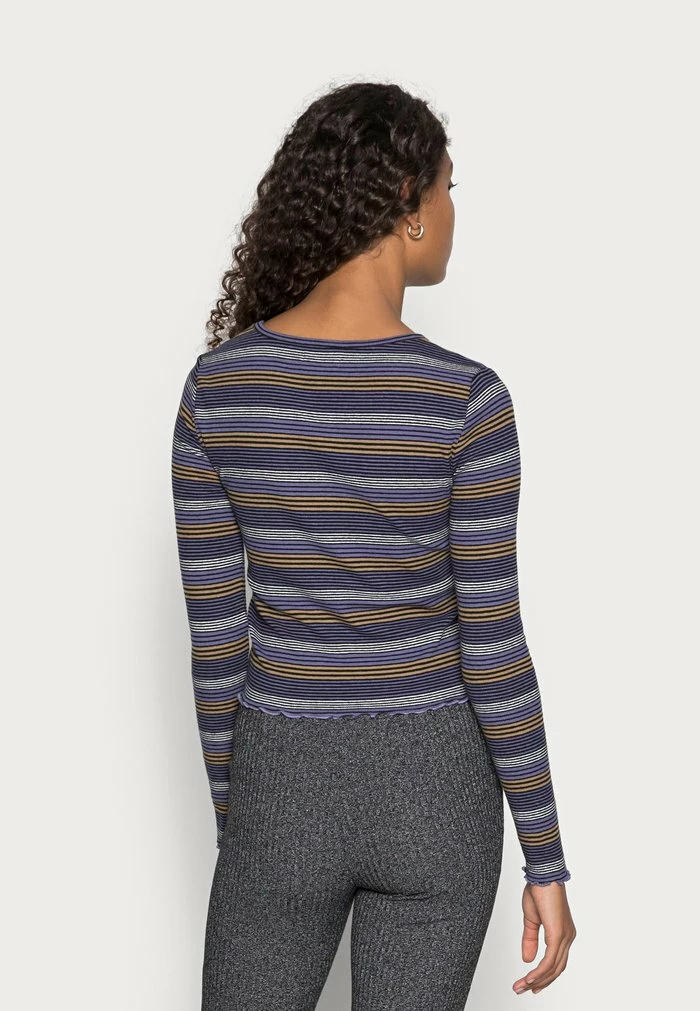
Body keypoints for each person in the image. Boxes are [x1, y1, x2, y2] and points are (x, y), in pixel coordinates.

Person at [171, 80, 576, 1011]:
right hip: (437, 795)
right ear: (407, 206)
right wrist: (546, 856)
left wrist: (251, 817)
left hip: (283, 778)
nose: (453, 210)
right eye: (448, 187)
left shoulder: (216, 393)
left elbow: (217, 644)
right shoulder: (467, 401)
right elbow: (493, 644)